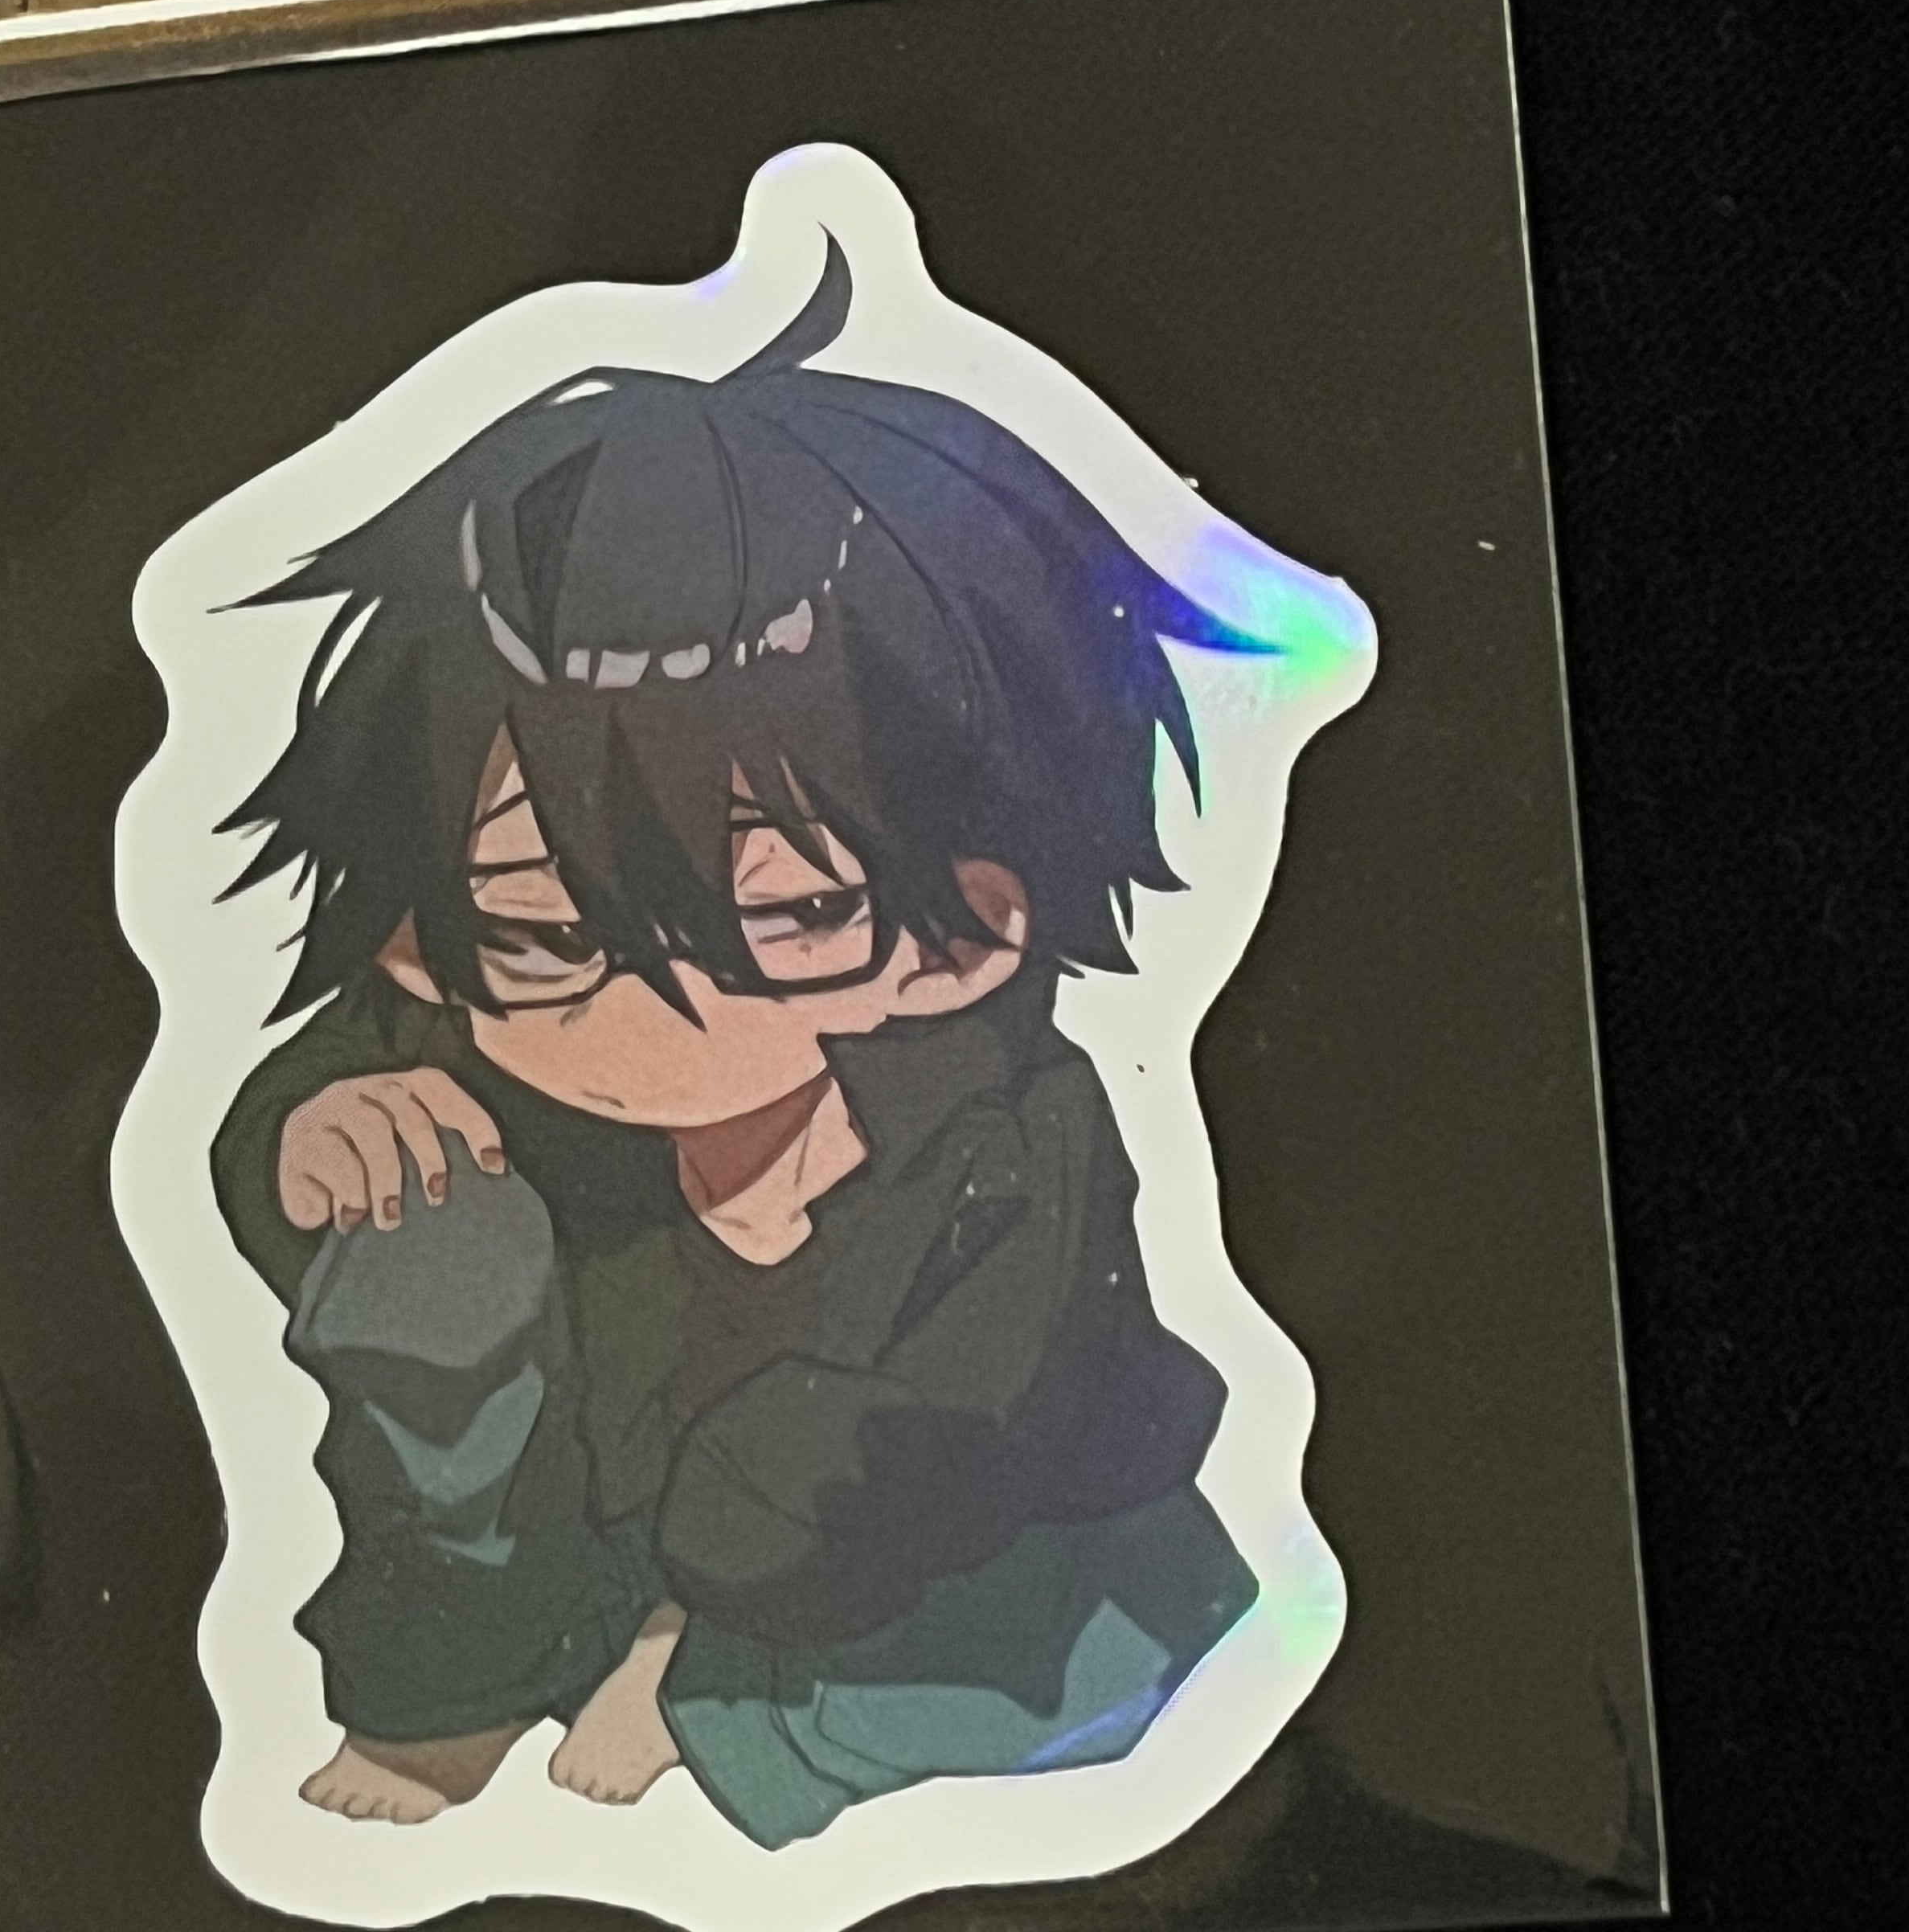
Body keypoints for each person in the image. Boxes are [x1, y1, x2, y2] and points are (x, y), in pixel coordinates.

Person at [209, 240, 1267, 1847]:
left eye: (776, 919)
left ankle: (727, 1696)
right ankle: (466, 1674)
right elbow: (306, 1118)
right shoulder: (455, 1042)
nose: (644, 1008)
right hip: (612, 1538)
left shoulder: (1008, 1138)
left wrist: (716, 1612)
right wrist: (305, 1141)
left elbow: (977, 1423)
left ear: (960, 937)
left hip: (957, 1563)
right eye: (545, 932)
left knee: (1068, 1666)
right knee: (417, 1219)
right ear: (427, 933)